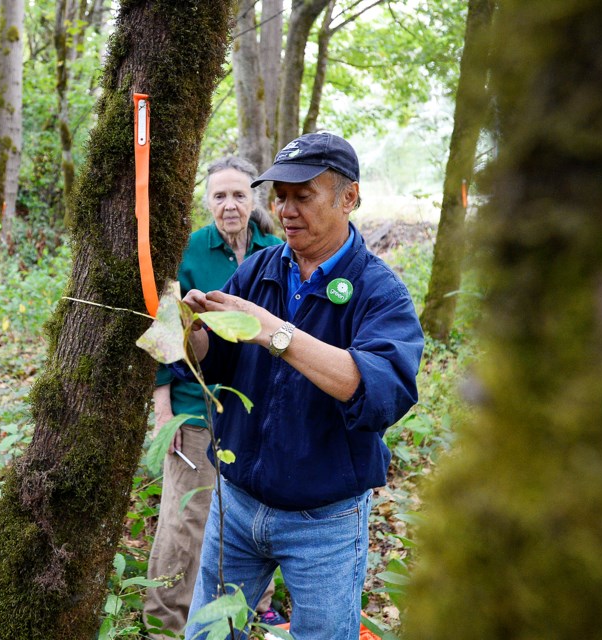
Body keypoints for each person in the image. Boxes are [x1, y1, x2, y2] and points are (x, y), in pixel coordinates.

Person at [179, 132, 424, 640]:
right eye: (280, 196)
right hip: (236, 504)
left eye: (303, 195)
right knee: (208, 634)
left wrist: (275, 332)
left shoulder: (380, 292)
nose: (286, 210)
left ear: (348, 197)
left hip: (325, 523)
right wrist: (190, 331)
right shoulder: (261, 269)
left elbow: (380, 390)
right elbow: (216, 361)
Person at [144, 157, 283, 639]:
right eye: (220, 195)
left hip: (252, 411)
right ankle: (165, 622)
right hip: (194, 405)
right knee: (185, 521)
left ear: (254, 201)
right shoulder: (187, 251)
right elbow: (164, 333)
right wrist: (164, 411)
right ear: (207, 201)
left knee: (250, 514)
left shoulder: (274, 250)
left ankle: (254, 606)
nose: (230, 205)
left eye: (239, 195)